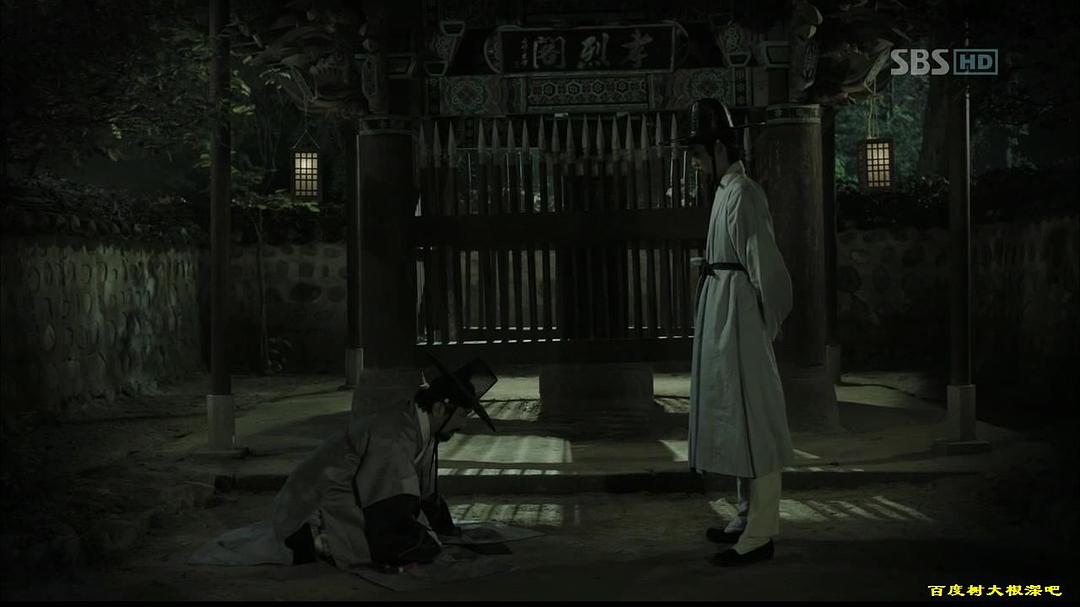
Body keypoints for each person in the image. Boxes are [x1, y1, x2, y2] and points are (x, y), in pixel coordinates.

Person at [191, 354, 498, 573]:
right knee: (396, 548)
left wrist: (444, 531)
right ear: (441, 408)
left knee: (423, 540)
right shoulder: (394, 435)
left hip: (351, 495)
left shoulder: (424, 429)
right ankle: (317, 540)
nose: (463, 424)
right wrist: (425, 543)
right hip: (316, 504)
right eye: (462, 415)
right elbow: (387, 505)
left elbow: (424, 493)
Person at [676, 98, 795, 567]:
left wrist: (764, 323)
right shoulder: (726, 190)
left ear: (721, 147)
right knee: (736, 416)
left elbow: (768, 267)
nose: (696, 162)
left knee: (755, 419)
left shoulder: (744, 193)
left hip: (740, 316)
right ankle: (747, 516)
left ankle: (761, 533)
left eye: (699, 153)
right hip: (727, 310)